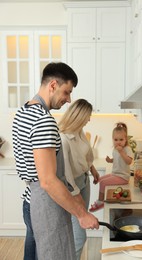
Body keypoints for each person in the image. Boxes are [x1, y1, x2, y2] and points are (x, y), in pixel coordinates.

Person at [12, 62, 99, 260]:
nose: (68, 100)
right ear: (52, 85)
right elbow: (48, 181)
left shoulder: (23, 112)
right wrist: (82, 214)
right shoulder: (43, 120)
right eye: (66, 92)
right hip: (45, 205)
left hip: (30, 201)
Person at [58, 99, 100, 260]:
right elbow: (66, 175)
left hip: (84, 181)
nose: (89, 120)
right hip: (73, 188)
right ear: (79, 116)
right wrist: (75, 197)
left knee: (76, 231)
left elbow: (87, 153)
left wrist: (92, 168)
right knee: (79, 236)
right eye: (87, 116)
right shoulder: (63, 139)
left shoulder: (79, 131)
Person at [89, 122, 133, 212]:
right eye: (116, 140)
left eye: (121, 139)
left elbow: (129, 161)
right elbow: (118, 159)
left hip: (123, 177)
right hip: (115, 174)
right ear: (113, 139)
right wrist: (110, 160)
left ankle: (100, 202)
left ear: (126, 139)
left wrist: (122, 152)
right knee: (100, 179)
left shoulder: (127, 149)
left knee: (103, 183)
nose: (118, 142)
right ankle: (101, 199)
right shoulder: (115, 149)